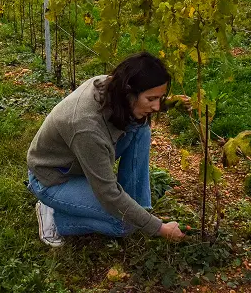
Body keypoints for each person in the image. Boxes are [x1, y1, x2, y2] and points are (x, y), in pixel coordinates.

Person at [26, 52, 185, 247]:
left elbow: (141, 108)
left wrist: (169, 103)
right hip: (54, 178)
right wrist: (159, 229)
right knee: (125, 224)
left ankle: (139, 209)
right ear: (129, 92)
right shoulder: (87, 128)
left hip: (80, 163)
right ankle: (54, 216)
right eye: (151, 98)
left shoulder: (111, 86)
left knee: (140, 127)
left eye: (160, 98)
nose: (156, 106)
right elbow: (108, 194)